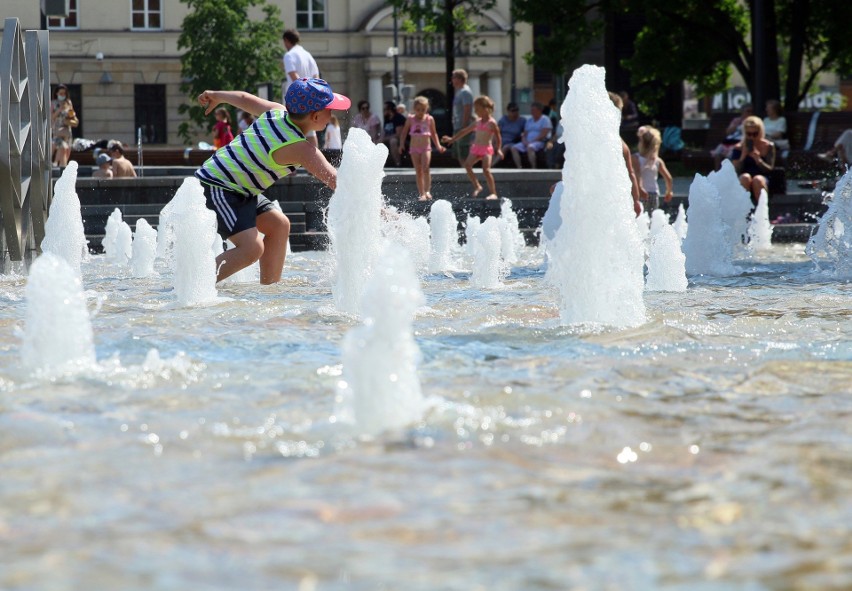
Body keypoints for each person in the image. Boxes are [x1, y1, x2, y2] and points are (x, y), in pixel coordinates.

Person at [195, 77, 350, 284]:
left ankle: (269, 290)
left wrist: (217, 95)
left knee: (279, 225)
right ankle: (191, 287)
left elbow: (243, 98)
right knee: (251, 249)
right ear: (314, 116)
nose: (332, 114)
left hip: (240, 188)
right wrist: (380, 209)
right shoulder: (302, 149)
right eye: (329, 110)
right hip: (217, 186)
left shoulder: (277, 111)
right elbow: (336, 181)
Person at [442, 95, 503, 200]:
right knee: (467, 165)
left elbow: (498, 137)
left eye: (477, 109)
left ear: (485, 109)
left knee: (486, 170)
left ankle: (493, 193)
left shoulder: (492, 123)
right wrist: (452, 139)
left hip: (486, 149)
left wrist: (499, 148)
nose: (476, 112)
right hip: (476, 148)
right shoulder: (478, 122)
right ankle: (477, 186)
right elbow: (464, 131)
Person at [399, 96, 446, 201]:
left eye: (423, 110)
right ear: (414, 109)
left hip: (426, 148)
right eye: (418, 110)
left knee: (425, 168)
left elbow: (434, 134)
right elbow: (404, 133)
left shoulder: (429, 119)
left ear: (427, 109)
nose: (420, 112)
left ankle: (427, 190)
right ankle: (421, 193)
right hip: (414, 148)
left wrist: (438, 146)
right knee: (418, 170)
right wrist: (401, 144)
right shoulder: (410, 119)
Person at [281, 29, 320, 147]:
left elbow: (294, 77)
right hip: (310, 98)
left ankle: (288, 163)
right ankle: (316, 162)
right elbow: (316, 77)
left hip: (295, 99)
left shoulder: (289, 55)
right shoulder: (308, 55)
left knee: (288, 130)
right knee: (310, 131)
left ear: (286, 40)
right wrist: (312, 96)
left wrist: (303, 94)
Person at [609, 92, 643, 216]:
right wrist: (635, 201)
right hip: (615, 198)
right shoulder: (621, 143)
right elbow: (631, 174)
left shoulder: (592, 140)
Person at [731, 115, 776, 203]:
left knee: (757, 179)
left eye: (755, 134)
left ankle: (762, 211)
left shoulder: (768, 146)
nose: (752, 137)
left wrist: (758, 159)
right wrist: (743, 156)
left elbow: (769, 169)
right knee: (745, 177)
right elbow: (736, 171)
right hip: (744, 176)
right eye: (749, 134)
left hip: (762, 177)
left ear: (760, 132)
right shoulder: (738, 147)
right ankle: (744, 212)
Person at [631, 126, 673, 212]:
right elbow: (668, 178)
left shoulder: (636, 158)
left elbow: (637, 174)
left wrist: (640, 188)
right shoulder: (658, 161)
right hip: (654, 193)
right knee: (652, 217)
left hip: (641, 193)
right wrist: (669, 192)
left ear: (641, 143)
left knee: (640, 217)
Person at [508, 102, 552, 169]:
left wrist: (532, 141)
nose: (532, 112)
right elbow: (524, 134)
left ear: (540, 110)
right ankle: (519, 167)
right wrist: (524, 141)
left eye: (534, 110)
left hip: (540, 141)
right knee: (514, 148)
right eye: (531, 110)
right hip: (528, 141)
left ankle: (533, 167)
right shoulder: (529, 120)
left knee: (530, 147)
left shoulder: (545, 119)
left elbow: (543, 134)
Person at [711, 103, 754, 170]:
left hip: (740, 143)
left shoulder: (753, 121)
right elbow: (728, 132)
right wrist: (736, 126)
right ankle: (717, 173)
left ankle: (730, 174)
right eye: (748, 111)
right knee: (717, 154)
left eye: (751, 111)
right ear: (742, 112)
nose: (749, 113)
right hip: (729, 141)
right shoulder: (737, 120)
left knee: (730, 155)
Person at [450, 69, 475, 166]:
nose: (452, 80)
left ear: (459, 79)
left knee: (463, 153)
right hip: (457, 126)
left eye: (453, 77)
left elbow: (467, 110)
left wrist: (464, 128)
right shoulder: (459, 91)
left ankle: (467, 175)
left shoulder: (465, 92)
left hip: (462, 127)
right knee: (458, 153)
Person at [51, 84, 77, 168]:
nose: (63, 95)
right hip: (58, 129)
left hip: (67, 130)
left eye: (64, 93)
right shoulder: (53, 103)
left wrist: (70, 113)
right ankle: (57, 164)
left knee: (67, 150)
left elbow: (72, 114)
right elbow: (52, 117)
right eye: (61, 93)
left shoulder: (68, 102)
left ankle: (62, 166)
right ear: (57, 93)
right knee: (62, 147)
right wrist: (59, 109)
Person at [382, 101, 407, 166]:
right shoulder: (387, 119)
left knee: (393, 141)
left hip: (402, 140)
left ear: (389, 109)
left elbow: (398, 135)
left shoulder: (399, 118)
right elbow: (384, 132)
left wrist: (384, 139)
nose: (383, 111)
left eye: (384, 109)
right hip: (389, 139)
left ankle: (398, 164)